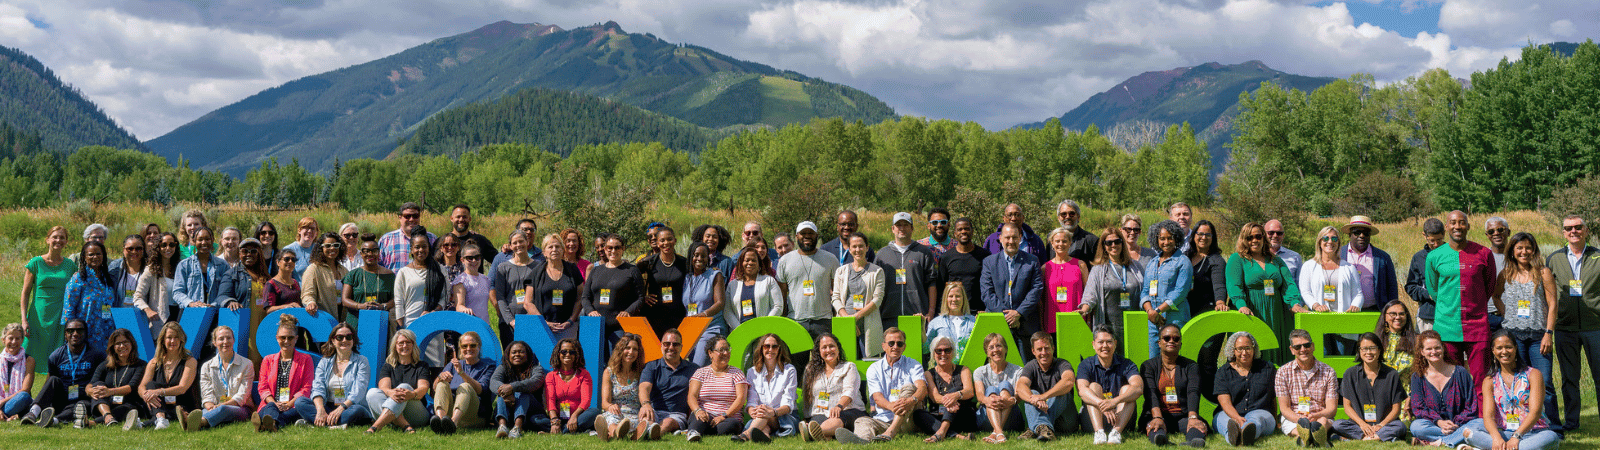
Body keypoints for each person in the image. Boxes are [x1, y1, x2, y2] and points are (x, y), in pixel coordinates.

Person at [1426, 211, 1497, 382]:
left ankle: (1481, 410)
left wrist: (1475, 304)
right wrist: (1450, 304)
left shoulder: (1484, 253)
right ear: (1447, 227)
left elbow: (1489, 287)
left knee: (1482, 379)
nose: (1457, 226)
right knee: (1450, 379)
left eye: (1462, 222)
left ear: (1468, 226)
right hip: (1447, 326)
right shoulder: (1434, 256)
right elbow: (1434, 290)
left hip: (1477, 326)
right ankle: (1455, 410)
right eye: (1453, 222)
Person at [1461, 330, 1561, 450]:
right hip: (1505, 433)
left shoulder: (1533, 374)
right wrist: (1497, 437)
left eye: (1508, 347)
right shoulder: (1489, 380)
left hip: (1534, 432)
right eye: (1499, 348)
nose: (1504, 352)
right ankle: (1506, 447)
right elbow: (1488, 416)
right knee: (1469, 432)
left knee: (1551, 437)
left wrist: (1516, 437)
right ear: (1493, 351)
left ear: (1515, 348)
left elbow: (1535, 412)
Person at [1494, 232, 1557, 420]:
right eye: (1519, 248)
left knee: (1544, 381)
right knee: (1518, 381)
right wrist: (1506, 313)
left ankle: (1553, 425)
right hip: (1513, 336)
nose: (1524, 251)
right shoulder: (1505, 274)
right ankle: (1522, 422)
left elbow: (1553, 304)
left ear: (1534, 250)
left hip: (1539, 336)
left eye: (1528, 248)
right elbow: (1496, 296)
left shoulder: (1543, 272)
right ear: (1512, 251)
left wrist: (1549, 333)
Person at [1547, 214, 1598, 432]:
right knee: (1569, 378)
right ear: (1564, 232)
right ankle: (1572, 422)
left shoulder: (1597, 256)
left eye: (1578, 227)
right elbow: (1546, 293)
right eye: (1568, 228)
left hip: (1596, 326)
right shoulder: (1553, 258)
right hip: (1565, 327)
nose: (1573, 231)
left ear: (1586, 230)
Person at [1227, 222, 1304, 363]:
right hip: (1252, 312)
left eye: (1258, 236)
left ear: (1264, 238)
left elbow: (1289, 284)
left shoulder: (1276, 260)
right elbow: (1234, 286)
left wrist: (1294, 303)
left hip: (1277, 314)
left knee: (1279, 352)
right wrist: (1241, 305)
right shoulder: (1237, 259)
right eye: (1249, 237)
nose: (1254, 240)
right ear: (1243, 239)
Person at [837, 327, 925, 444]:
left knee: (909, 388)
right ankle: (863, 441)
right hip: (884, 419)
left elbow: (922, 388)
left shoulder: (913, 364)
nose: (895, 347)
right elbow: (877, 398)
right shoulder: (874, 368)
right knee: (862, 421)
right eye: (891, 343)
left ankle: (891, 432)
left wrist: (911, 401)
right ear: (883, 346)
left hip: (909, 420)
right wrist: (893, 407)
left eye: (899, 344)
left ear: (904, 347)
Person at [1141, 324, 1208, 447]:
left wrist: (1192, 417)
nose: (1171, 341)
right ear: (1159, 342)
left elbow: (1193, 391)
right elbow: (1150, 393)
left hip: (1182, 415)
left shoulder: (1191, 366)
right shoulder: (1148, 366)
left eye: (1176, 339)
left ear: (1180, 344)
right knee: (1155, 427)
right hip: (1157, 414)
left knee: (1196, 426)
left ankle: (1194, 441)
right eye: (1167, 338)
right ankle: (1160, 439)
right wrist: (1157, 417)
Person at [1410, 330, 1481, 447]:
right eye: (1429, 349)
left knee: (1480, 423)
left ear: (1443, 348)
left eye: (1437, 348)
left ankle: (1439, 442)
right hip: (1433, 425)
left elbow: (1471, 406)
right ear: (1422, 352)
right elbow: (1419, 408)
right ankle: (1457, 437)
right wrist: (1439, 422)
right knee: (1416, 427)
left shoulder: (1460, 372)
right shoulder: (1418, 377)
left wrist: (1456, 424)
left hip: (1460, 424)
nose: (1434, 352)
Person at [1331, 332, 1407, 442]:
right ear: (1359, 351)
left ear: (1379, 350)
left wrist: (1380, 425)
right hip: (1359, 425)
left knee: (1400, 426)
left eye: (1372, 348)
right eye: (1364, 349)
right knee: (1337, 424)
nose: (1368, 352)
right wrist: (1362, 424)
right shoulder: (1350, 374)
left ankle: (1363, 438)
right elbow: (1347, 407)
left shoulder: (1391, 374)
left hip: (1384, 425)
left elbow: (1396, 409)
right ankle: (1377, 437)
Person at [981, 222, 1043, 353]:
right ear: (1000, 239)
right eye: (1007, 237)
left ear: (1020, 238)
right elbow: (987, 292)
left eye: (1015, 237)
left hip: (1025, 324)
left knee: (1027, 368)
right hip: (997, 324)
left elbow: (1036, 289)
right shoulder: (989, 262)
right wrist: (1007, 316)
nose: (1011, 241)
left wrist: (1019, 313)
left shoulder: (1032, 261)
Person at [20, 226, 76, 365]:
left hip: (60, 317)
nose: (58, 240)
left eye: (62, 237)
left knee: (56, 356)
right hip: (38, 316)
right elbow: (25, 293)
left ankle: (49, 387)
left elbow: (75, 292)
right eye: (55, 237)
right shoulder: (36, 263)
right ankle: (25, 387)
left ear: (66, 241)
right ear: (47, 240)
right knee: (30, 356)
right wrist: (24, 320)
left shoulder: (70, 265)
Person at [300, 322, 371, 429]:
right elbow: (318, 387)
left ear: (353, 340)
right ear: (333, 341)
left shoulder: (361, 361)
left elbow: (359, 390)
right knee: (300, 402)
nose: (344, 340)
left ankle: (318, 424)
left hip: (349, 406)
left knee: (357, 411)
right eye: (339, 337)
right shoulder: (325, 362)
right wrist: (320, 410)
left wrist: (341, 408)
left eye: (349, 337)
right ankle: (333, 423)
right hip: (328, 406)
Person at [1082, 228, 1143, 352]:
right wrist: (1084, 309)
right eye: (1109, 242)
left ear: (1122, 243)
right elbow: (1090, 295)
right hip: (1109, 326)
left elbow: (1145, 291)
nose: (1113, 245)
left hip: (1134, 324)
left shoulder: (1135, 266)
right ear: (1104, 246)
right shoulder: (1098, 269)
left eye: (1117, 241)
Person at [777, 221, 840, 342]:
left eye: (810, 233)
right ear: (796, 237)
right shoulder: (785, 261)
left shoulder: (830, 259)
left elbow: (837, 291)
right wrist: (783, 320)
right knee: (797, 360)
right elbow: (782, 294)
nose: (807, 236)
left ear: (816, 235)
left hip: (824, 321)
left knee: (825, 359)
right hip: (795, 320)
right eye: (803, 233)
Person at [879, 212, 943, 329]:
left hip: (917, 315)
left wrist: (931, 311)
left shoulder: (923, 252)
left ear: (912, 228)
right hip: (888, 317)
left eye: (906, 225)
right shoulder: (882, 254)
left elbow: (932, 283)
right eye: (899, 225)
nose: (902, 228)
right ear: (893, 229)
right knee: (893, 347)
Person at [1213, 331, 1278, 447]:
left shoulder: (1268, 369)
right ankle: (1235, 436)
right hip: (1229, 413)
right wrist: (1237, 418)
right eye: (1240, 349)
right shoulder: (1223, 372)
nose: (1244, 353)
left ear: (1254, 349)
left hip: (1260, 412)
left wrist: (1275, 420)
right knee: (1226, 421)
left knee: (1256, 421)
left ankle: (1247, 432)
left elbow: (1273, 397)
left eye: (1248, 348)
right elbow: (1225, 403)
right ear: (1233, 350)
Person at [799, 333, 867, 442]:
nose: (828, 350)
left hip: (848, 410)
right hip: (821, 412)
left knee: (836, 420)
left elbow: (850, 392)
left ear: (838, 349)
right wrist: (807, 416)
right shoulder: (810, 370)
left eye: (831, 346)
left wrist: (839, 406)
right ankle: (825, 434)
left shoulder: (849, 367)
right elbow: (807, 395)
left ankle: (812, 434)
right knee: (816, 422)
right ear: (819, 351)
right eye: (824, 347)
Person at [1274, 329, 1336, 447]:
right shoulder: (1282, 372)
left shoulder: (1328, 372)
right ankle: (1313, 436)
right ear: (1292, 350)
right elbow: (1285, 408)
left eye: (1306, 345)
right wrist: (1301, 420)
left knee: (1323, 421)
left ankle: (1305, 438)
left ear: (1312, 346)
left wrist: (1316, 416)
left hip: (1320, 415)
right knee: (1294, 426)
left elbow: (1331, 408)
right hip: (1294, 416)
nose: (1303, 349)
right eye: (1297, 347)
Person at [251, 315, 314, 432]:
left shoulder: (306, 359)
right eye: (282, 337)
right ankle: (273, 424)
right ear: (277, 338)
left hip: (293, 406)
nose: (286, 341)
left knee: (287, 412)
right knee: (270, 407)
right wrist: (275, 403)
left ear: (296, 339)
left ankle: (266, 424)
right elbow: (263, 388)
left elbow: (306, 388)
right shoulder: (268, 360)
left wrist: (289, 404)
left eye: (290, 338)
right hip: (271, 403)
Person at [1079, 326, 1140, 444]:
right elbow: (1082, 390)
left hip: (1121, 418)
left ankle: (1116, 433)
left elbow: (1138, 388)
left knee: (1128, 390)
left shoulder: (1127, 364)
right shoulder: (1085, 364)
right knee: (1093, 387)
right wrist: (1102, 404)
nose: (1105, 346)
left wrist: (1114, 402)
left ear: (1115, 343)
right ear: (1093, 344)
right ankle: (1099, 433)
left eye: (1109, 342)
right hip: (1094, 419)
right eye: (1100, 342)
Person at [636, 329, 699, 440]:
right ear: (661, 346)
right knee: (646, 417)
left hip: (677, 414)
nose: (671, 347)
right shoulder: (651, 366)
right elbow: (644, 388)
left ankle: (648, 435)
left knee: (668, 422)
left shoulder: (693, 369)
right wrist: (646, 404)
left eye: (675, 344)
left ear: (681, 347)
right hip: (653, 410)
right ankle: (645, 431)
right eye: (667, 344)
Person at [131, 322, 196, 430]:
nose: (172, 341)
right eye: (169, 337)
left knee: (154, 390)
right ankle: (161, 419)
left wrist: (159, 391)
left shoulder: (190, 361)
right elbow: (141, 387)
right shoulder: (154, 362)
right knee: (150, 384)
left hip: (179, 405)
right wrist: (146, 396)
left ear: (181, 339)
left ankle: (143, 424)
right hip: (157, 405)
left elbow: (182, 388)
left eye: (176, 337)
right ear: (163, 340)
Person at [583, 234, 645, 347]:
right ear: (605, 249)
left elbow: (640, 298)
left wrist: (628, 311)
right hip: (596, 326)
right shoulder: (595, 270)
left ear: (623, 249)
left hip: (619, 327)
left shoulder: (632, 270)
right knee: (595, 364)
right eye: (609, 247)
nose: (613, 251)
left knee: (616, 362)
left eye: (617, 247)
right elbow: (585, 297)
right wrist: (590, 311)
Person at [1142, 220, 1193, 358]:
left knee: (1175, 359)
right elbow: (1145, 290)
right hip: (1153, 321)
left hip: (1174, 318)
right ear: (1156, 239)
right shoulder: (1152, 263)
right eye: (1162, 238)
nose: (1166, 242)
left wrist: (1158, 310)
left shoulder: (1183, 262)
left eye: (1170, 238)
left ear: (1176, 238)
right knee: (1154, 358)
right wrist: (1150, 311)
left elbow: (1180, 292)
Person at [1014, 331, 1076, 442]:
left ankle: (1034, 428)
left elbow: (1068, 382)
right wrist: (1034, 400)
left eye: (1047, 348)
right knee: (1031, 393)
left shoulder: (1063, 364)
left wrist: (1043, 396)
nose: (1044, 352)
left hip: (1065, 422)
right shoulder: (1031, 366)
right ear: (1033, 351)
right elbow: (1020, 386)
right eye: (1039, 349)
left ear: (1053, 348)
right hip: (1045, 411)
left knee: (1061, 392)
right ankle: (1043, 429)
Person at [684, 335, 749, 442]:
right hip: (705, 415)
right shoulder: (701, 372)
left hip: (728, 418)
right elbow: (692, 396)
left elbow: (741, 398)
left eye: (727, 349)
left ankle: (696, 430)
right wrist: (698, 411)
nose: (726, 353)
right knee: (699, 419)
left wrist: (724, 416)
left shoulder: (737, 373)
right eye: (721, 350)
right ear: (710, 353)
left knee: (732, 425)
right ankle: (694, 431)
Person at [365, 329, 431, 433]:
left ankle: (375, 427)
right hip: (394, 409)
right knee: (372, 393)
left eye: (408, 342)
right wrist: (391, 392)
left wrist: (412, 394)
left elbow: (423, 388)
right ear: (395, 346)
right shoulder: (388, 366)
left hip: (417, 414)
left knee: (404, 386)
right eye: (401, 343)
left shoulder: (422, 366)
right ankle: (405, 426)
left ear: (413, 345)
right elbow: (384, 387)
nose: (404, 346)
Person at [215, 238, 270, 363]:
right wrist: (230, 301)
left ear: (259, 253)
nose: (249, 254)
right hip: (246, 327)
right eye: (245, 251)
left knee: (264, 360)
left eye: (253, 251)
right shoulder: (232, 274)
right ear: (239, 254)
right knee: (250, 360)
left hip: (264, 326)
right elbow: (221, 296)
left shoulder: (266, 276)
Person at [430, 331, 496, 434]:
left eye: (472, 345)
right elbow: (434, 388)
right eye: (464, 346)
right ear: (460, 348)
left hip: (474, 413)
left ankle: (453, 423)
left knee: (465, 386)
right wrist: (439, 377)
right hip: (452, 409)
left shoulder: (488, 366)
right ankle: (440, 421)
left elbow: (480, 390)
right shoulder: (453, 364)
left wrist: (461, 373)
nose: (468, 349)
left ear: (479, 347)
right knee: (441, 384)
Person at [832, 232, 885, 357]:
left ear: (867, 248)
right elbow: (835, 298)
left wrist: (855, 318)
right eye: (854, 246)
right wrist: (847, 319)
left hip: (868, 326)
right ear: (849, 249)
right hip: (845, 324)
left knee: (868, 364)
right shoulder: (841, 271)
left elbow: (877, 299)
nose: (858, 250)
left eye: (861, 246)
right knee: (844, 362)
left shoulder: (877, 271)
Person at [191, 325, 253, 430]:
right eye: (221, 339)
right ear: (214, 343)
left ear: (233, 340)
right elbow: (207, 394)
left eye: (228, 338)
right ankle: (199, 421)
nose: (225, 342)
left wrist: (221, 406)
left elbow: (243, 395)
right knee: (207, 411)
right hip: (215, 407)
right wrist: (211, 407)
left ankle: (199, 422)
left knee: (224, 409)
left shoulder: (246, 364)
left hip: (241, 408)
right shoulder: (207, 366)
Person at [738, 333, 798, 441]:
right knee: (763, 414)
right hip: (762, 415)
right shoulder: (752, 372)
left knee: (764, 414)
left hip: (784, 416)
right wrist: (752, 410)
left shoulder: (789, 370)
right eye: (767, 346)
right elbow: (752, 399)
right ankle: (765, 434)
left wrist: (772, 412)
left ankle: (746, 434)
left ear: (779, 349)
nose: (770, 350)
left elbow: (788, 404)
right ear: (761, 349)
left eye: (774, 346)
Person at [915, 335, 974, 442]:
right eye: (939, 351)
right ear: (933, 353)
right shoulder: (929, 374)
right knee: (918, 414)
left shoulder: (963, 370)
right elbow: (935, 398)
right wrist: (950, 402)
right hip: (939, 416)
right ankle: (957, 436)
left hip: (961, 416)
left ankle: (941, 432)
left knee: (954, 391)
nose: (943, 354)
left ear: (953, 352)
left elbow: (969, 392)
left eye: (947, 350)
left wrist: (956, 396)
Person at [529, 234, 585, 341]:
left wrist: (571, 321)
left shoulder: (573, 270)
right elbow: (528, 302)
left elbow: (580, 297)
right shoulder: (536, 272)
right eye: (550, 247)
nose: (554, 250)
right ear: (544, 252)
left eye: (558, 247)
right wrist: (543, 322)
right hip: (542, 327)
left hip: (568, 327)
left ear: (563, 250)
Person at [1340, 216, 1400, 312]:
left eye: (1366, 233)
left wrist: (1392, 310)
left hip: (1374, 310)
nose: (1362, 236)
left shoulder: (1382, 257)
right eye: (1357, 232)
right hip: (1345, 311)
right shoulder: (1338, 255)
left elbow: (1391, 287)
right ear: (1349, 234)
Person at [63, 241, 117, 346]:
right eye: (91, 254)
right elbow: (68, 308)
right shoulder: (78, 279)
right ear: (84, 257)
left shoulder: (108, 278)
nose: (95, 257)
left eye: (98, 254)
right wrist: (71, 333)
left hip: (106, 331)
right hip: (84, 332)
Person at [972, 333, 1023, 443]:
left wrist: (1011, 400)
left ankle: (996, 433)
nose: (996, 350)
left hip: (1012, 417)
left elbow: (1019, 395)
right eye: (991, 347)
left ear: (1006, 349)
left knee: (1005, 386)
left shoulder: (1018, 371)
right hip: (986, 418)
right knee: (991, 391)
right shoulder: (979, 372)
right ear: (987, 353)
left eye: (999, 346)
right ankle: (999, 432)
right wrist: (990, 400)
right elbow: (980, 396)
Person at [1299, 227, 1363, 314]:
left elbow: (1358, 294)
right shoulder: (1308, 266)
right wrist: (1316, 305)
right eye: (1325, 238)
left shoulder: (1349, 268)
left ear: (1338, 243)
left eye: (1334, 238)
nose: (1330, 242)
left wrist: (1355, 305)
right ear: (1319, 242)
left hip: (1343, 318)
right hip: (1319, 318)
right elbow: (1305, 292)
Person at [492, 340, 548, 439]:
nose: (517, 354)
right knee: (502, 393)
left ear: (528, 354)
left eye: (521, 352)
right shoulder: (503, 368)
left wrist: (511, 387)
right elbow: (493, 382)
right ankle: (502, 426)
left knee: (523, 393)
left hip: (531, 412)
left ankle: (517, 428)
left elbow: (535, 382)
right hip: (508, 412)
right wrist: (506, 393)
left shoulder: (536, 369)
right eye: (514, 352)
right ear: (508, 355)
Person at [638, 226, 688, 338]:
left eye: (669, 239)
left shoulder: (684, 263)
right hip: (654, 315)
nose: (666, 243)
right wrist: (643, 297)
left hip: (678, 315)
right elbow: (630, 281)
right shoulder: (648, 263)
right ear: (657, 242)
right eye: (662, 240)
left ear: (675, 241)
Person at [87, 328, 143, 427]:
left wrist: (109, 391)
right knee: (97, 385)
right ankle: (107, 416)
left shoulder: (140, 365)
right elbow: (90, 384)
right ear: (113, 347)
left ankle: (92, 423)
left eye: (125, 342)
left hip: (129, 402)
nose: (122, 346)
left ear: (132, 344)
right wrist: (91, 391)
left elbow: (131, 387)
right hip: (106, 403)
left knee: (127, 409)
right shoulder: (105, 365)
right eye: (118, 343)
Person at [682, 242, 727, 365]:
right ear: (691, 257)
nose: (699, 259)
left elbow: (720, 303)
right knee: (689, 365)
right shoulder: (687, 278)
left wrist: (702, 315)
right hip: (691, 329)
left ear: (708, 258)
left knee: (697, 366)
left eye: (703, 256)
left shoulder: (715, 275)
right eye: (696, 255)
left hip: (710, 328)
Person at [492, 230, 538, 347]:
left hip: (532, 320)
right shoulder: (503, 267)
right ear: (510, 246)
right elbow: (500, 297)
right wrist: (510, 320)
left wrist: (533, 316)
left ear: (527, 242)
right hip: (509, 322)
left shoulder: (538, 266)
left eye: (521, 241)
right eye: (515, 243)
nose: (518, 245)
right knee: (511, 357)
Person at [393, 232, 447, 332]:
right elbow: (399, 302)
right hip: (410, 323)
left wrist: (434, 311)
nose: (421, 250)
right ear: (411, 250)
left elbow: (445, 296)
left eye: (424, 247)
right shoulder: (403, 272)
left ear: (429, 248)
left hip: (434, 321)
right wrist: (402, 328)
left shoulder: (440, 270)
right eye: (417, 247)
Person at [595, 334, 643, 441]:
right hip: (616, 412)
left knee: (642, 422)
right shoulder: (609, 372)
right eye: (627, 348)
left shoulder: (641, 372)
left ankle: (609, 435)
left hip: (635, 413)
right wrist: (610, 406)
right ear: (620, 350)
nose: (631, 352)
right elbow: (604, 403)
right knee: (611, 418)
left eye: (635, 349)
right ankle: (615, 432)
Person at [724, 246, 784, 330]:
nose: (750, 263)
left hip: (764, 331)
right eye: (747, 260)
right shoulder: (732, 285)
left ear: (759, 263)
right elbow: (727, 311)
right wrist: (739, 328)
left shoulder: (769, 281)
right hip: (740, 332)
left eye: (754, 260)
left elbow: (778, 306)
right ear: (741, 263)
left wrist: (765, 326)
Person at [1376, 299, 1418, 421]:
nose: (1397, 317)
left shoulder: (1416, 341)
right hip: (1380, 392)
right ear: (1385, 317)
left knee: (1404, 424)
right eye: (1393, 314)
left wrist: (1411, 396)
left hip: (1406, 394)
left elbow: (1421, 373)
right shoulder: (1376, 341)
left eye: (1401, 314)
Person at [341, 234, 395, 325]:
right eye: (366, 251)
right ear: (361, 254)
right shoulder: (353, 274)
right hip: (356, 321)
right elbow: (345, 300)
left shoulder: (389, 275)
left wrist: (383, 306)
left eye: (374, 251)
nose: (370, 254)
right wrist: (361, 306)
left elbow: (395, 299)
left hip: (380, 322)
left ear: (379, 253)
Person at [1043, 227, 1089, 333]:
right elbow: (1041, 300)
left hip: (1076, 319)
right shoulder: (1045, 268)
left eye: (1064, 241)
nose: (1061, 244)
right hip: (1052, 322)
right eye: (1057, 241)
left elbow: (1088, 293)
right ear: (1052, 243)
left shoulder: (1080, 265)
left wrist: (1089, 319)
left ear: (1070, 243)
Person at [940, 217, 992, 311]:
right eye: (960, 229)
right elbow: (941, 287)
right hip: (954, 312)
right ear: (955, 234)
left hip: (979, 311)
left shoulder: (985, 256)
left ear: (972, 232)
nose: (963, 231)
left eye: (967, 228)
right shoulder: (946, 257)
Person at [545, 338, 595, 435]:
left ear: (577, 355)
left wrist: (574, 416)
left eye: (572, 352)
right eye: (564, 352)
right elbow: (550, 401)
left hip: (578, 416)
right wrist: (555, 421)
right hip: (558, 417)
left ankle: (561, 431)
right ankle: (568, 430)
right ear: (558, 354)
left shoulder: (584, 374)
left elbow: (586, 401)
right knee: (536, 420)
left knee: (594, 412)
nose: (567, 355)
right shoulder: (551, 376)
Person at [133, 232, 178, 338]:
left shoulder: (180, 267)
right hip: (161, 318)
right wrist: (147, 310)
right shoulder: (151, 269)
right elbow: (137, 296)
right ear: (158, 247)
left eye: (172, 245)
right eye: (163, 245)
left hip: (180, 315)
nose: (168, 248)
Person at [173, 227, 227, 309]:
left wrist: (214, 304)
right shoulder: (184, 265)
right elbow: (177, 292)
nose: (204, 242)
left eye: (207, 239)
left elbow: (226, 291)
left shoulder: (223, 265)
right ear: (194, 241)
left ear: (212, 240)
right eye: (200, 239)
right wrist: (191, 303)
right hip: (192, 313)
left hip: (216, 313)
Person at [1409, 218, 1447, 331]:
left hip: (1450, 316)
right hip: (1428, 317)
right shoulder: (1418, 257)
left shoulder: (1452, 255)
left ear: (1444, 234)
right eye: (1431, 241)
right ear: (1424, 235)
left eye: (1439, 240)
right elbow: (1411, 287)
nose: (1435, 244)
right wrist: (1428, 294)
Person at [302, 232, 348, 318]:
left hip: (343, 316)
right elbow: (308, 293)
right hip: (323, 318)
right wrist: (310, 302)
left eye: (335, 245)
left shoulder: (344, 270)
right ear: (321, 248)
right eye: (327, 246)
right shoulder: (313, 269)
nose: (332, 248)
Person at [378, 202, 435, 271]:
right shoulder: (386, 240)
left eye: (415, 216)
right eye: (407, 216)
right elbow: (378, 267)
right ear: (400, 217)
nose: (411, 219)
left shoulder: (432, 239)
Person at [927, 282, 975, 360]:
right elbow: (926, 349)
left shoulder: (974, 321)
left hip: (969, 369)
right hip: (944, 369)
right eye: (951, 296)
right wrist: (922, 329)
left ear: (964, 298)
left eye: (958, 296)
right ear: (946, 299)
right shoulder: (935, 322)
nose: (954, 299)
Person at [490, 219, 541, 290]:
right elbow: (491, 283)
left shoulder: (542, 256)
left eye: (532, 230)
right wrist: (496, 301)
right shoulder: (502, 257)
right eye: (525, 229)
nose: (528, 232)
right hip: (509, 300)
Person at [1, 323, 36, 422]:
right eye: (10, 338)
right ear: (3, 340)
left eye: (17, 338)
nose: (13, 342)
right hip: (3, 403)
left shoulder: (29, 360)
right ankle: (10, 415)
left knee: (24, 397)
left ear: (22, 340)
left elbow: (25, 389)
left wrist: (1, 403)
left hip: (17, 401)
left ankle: (6, 414)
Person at [451, 243, 492, 324]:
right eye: (470, 258)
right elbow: (459, 306)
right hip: (469, 325)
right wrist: (465, 309)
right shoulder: (460, 281)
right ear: (462, 260)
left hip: (484, 325)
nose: (474, 261)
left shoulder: (485, 279)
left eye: (477, 257)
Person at [446, 204, 496, 269]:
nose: (461, 220)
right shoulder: (443, 242)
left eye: (464, 217)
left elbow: (498, 260)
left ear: (469, 219)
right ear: (451, 218)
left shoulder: (480, 240)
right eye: (458, 217)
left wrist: (506, 248)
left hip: (476, 279)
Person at [109, 235, 146, 309]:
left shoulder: (149, 269)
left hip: (143, 315)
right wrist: (106, 317)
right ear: (123, 250)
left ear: (143, 250)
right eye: (130, 248)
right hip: (120, 315)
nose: (134, 252)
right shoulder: (114, 267)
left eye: (138, 248)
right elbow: (107, 295)